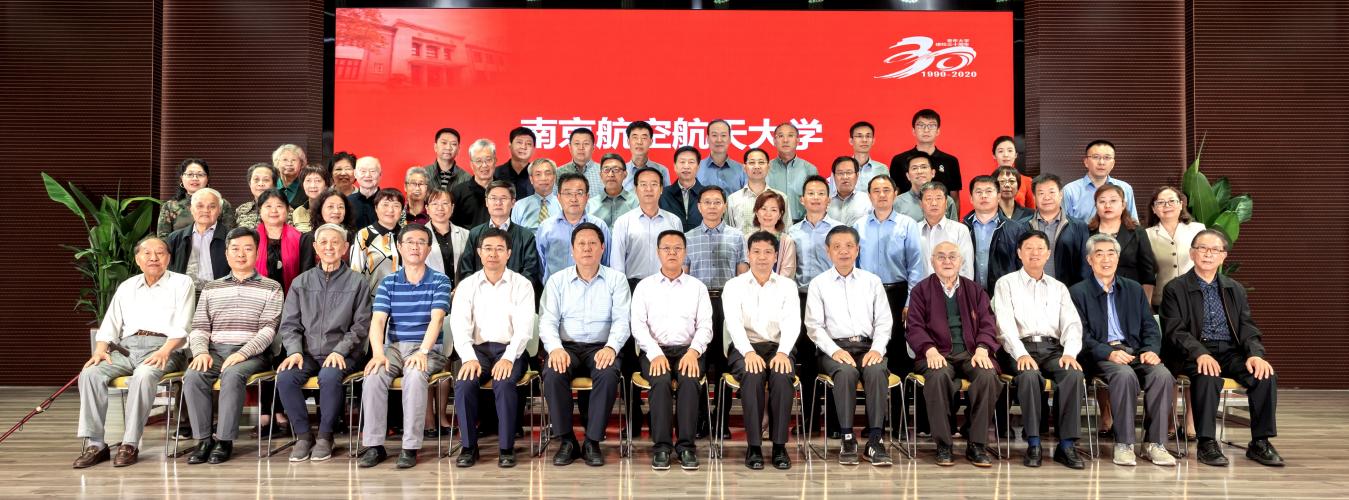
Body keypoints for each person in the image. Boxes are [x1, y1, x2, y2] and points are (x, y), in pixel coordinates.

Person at [1160, 229, 1283, 467]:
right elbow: (1175, 331)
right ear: (1192, 253)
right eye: (1203, 249)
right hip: (1191, 354)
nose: (1208, 254)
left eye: (1215, 250)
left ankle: (1260, 442)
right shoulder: (1175, 288)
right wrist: (1200, 353)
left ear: (1223, 256)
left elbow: (1247, 327)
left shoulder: (1234, 288)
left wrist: (1255, 355)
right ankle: (1207, 443)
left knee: (1265, 375)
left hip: (1229, 352)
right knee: (1207, 375)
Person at [72, 237, 193, 469]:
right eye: (147, 253)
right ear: (138, 259)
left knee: (143, 375)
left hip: (166, 348)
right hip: (127, 349)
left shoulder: (182, 283)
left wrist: (165, 350)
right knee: (90, 373)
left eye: (160, 253)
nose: (153, 258)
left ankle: (129, 443)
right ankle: (96, 444)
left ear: (168, 258)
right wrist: (100, 350)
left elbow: (184, 325)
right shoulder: (127, 286)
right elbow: (110, 324)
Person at [1069, 234, 1177, 467]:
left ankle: (1154, 444)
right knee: (1124, 375)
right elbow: (1080, 335)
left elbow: (1150, 326)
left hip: (1135, 352)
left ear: (1118, 258)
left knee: (1162, 375)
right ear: (1089, 260)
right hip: (1100, 355)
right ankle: (1124, 443)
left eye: (1111, 254)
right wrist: (1108, 352)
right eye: (1099, 254)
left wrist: (1151, 350)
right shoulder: (1077, 292)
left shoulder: (1134, 289)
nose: (1106, 259)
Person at [182, 227, 284, 465]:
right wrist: (200, 352)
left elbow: (269, 330)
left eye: (248, 249)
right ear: (227, 254)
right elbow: (199, 327)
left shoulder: (272, 287)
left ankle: (224, 440)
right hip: (215, 351)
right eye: (235, 249)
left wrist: (242, 353)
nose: (241, 254)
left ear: (257, 253)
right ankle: (203, 440)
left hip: (254, 354)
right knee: (193, 375)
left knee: (232, 374)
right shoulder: (211, 288)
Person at [356, 224, 452, 469]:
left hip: (428, 348)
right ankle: (374, 446)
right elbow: (378, 321)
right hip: (394, 348)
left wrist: (423, 352)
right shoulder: (389, 282)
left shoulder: (440, 281)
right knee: (374, 374)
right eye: (409, 241)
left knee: (415, 374)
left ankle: (410, 447)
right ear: (399, 247)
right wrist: (378, 353)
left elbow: (437, 319)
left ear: (428, 249)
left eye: (421, 242)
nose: (415, 247)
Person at [275, 223, 372, 462]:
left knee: (329, 376)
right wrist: (294, 351)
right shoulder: (301, 282)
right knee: (285, 377)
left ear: (345, 248)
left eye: (335, 242)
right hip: (306, 353)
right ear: (316, 248)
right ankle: (303, 436)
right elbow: (289, 324)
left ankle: (326, 436)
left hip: (343, 353)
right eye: (324, 243)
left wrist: (340, 351)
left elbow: (361, 325)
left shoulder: (357, 282)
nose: (329, 247)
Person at [539, 222, 630, 467]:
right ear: (572, 250)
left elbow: (622, 320)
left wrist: (611, 347)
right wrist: (555, 348)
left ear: (602, 248)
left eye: (592, 243)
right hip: (566, 347)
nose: (587, 248)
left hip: (601, 346)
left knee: (608, 373)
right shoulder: (557, 281)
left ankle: (592, 441)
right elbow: (547, 320)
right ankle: (567, 440)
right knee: (553, 372)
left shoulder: (617, 280)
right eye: (581, 244)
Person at [992, 231, 1086, 469]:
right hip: (1018, 348)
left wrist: (1070, 353)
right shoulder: (1006, 283)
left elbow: (1072, 324)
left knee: (1073, 374)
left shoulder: (1059, 287)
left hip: (1053, 349)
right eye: (1029, 248)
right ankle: (1034, 443)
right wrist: (1021, 353)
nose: (1035, 253)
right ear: (1019, 253)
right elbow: (1004, 325)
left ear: (1048, 254)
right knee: (1029, 376)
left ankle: (1066, 445)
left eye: (1040, 248)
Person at [804, 225, 895, 467]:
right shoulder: (818, 284)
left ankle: (875, 440)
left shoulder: (872, 281)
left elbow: (884, 321)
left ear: (857, 250)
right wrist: (834, 350)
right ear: (828, 251)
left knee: (877, 371)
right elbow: (814, 326)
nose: (843, 251)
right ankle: (847, 438)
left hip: (868, 347)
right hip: (834, 349)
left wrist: (877, 349)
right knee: (845, 373)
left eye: (849, 246)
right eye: (837, 247)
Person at [905, 241, 1000, 467]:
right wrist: (929, 349)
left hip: (971, 352)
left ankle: (976, 443)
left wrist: (982, 348)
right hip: (935, 353)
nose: (947, 261)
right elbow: (914, 327)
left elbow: (988, 323)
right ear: (932, 261)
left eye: (952, 256)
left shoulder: (975, 290)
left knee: (987, 375)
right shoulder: (920, 290)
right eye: (941, 257)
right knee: (938, 376)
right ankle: (943, 444)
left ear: (961, 261)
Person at [451, 228, 536, 468]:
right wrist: (468, 358)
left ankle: (506, 447)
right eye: (488, 248)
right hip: (476, 352)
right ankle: (469, 446)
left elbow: (523, 329)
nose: (493, 254)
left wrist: (508, 358)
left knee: (504, 382)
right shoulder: (467, 285)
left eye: (499, 249)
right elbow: (459, 326)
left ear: (509, 253)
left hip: (511, 350)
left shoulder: (522, 285)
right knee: (464, 383)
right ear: (479, 252)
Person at [630, 230, 714, 471]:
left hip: (689, 350)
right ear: (658, 253)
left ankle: (686, 447)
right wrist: (655, 353)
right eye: (666, 248)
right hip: (654, 350)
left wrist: (694, 352)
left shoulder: (697, 287)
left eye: (677, 248)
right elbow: (638, 326)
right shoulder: (644, 287)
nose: (672, 253)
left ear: (685, 252)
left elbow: (705, 326)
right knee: (660, 380)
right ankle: (662, 447)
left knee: (689, 379)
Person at [722, 231, 800, 470]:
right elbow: (733, 324)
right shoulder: (734, 285)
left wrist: (783, 352)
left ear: (776, 256)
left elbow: (792, 322)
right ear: (748, 254)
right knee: (753, 375)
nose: (762, 257)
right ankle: (754, 446)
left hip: (778, 347)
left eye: (768, 252)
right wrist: (748, 352)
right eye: (756, 252)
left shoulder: (787, 286)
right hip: (744, 347)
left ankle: (779, 446)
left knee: (782, 375)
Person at [852, 174, 923, 386]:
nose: (881, 195)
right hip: (867, 293)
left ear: (895, 194)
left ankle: (899, 403)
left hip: (898, 294)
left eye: (886, 190)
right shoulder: (858, 226)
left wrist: (910, 301)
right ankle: (876, 399)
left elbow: (915, 266)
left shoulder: (908, 224)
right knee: (871, 345)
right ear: (869, 195)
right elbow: (854, 265)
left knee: (898, 347)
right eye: (876, 191)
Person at [456, 181, 543, 294]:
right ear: (486, 202)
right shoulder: (475, 234)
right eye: (493, 198)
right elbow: (466, 270)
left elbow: (530, 272)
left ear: (513, 203)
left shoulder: (526, 236)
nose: (498, 202)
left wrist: (508, 292)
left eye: (503, 198)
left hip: (515, 296)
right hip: (481, 296)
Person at [610, 167, 684, 289]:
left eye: (654, 184)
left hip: (667, 284)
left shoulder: (674, 221)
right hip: (633, 286)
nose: (648, 189)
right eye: (643, 184)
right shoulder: (623, 222)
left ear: (661, 189)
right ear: (636, 189)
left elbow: (680, 257)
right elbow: (617, 264)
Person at [538, 173, 612, 284]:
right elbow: (541, 264)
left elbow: (606, 262)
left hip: (593, 288)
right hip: (555, 289)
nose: (573, 199)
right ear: (559, 197)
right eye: (568, 193)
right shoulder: (546, 227)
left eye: (579, 193)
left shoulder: (600, 226)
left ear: (587, 197)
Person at [1088, 184, 1157, 302]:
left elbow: (1148, 273)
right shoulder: (1086, 232)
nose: (1107, 205)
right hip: (1094, 296)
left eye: (1113, 201)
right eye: (1102, 201)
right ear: (1096, 206)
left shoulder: (1137, 232)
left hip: (1130, 296)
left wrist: (1145, 303)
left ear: (1123, 205)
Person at [963, 175, 1028, 294]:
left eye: (989, 191)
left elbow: (1024, 266)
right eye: (978, 192)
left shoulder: (1016, 229)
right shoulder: (962, 229)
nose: (983, 196)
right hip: (968, 296)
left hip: (1005, 295)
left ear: (998, 197)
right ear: (971, 198)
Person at [1146, 186, 1205, 309]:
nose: (1167, 205)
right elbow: (1145, 272)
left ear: (1181, 205)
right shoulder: (1147, 235)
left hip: (1195, 298)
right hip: (1162, 300)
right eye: (1160, 202)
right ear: (1154, 209)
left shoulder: (1198, 229)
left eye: (1172, 201)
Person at [1026, 174, 1091, 287]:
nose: (1047, 197)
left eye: (1051, 192)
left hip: (1067, 290)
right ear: (1034, 197)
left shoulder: (1079, 226)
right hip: (1030, 290)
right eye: (1041, 193)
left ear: (1061, 195)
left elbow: (1085, 265)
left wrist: (1079, 292)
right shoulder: (1022, 226)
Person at [166, 188, 230, 289]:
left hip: (219, 292)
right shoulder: (175, 238)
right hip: (183, 293)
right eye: (200, 206)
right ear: (191, 209)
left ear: (219, 210)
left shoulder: (231, 238)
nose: (206, 210)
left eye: (212, 206)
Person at [890, 109, 961, 197]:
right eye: (921, 125)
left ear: (938, 131)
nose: (926, 130)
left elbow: (954, 198)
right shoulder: (899, 160)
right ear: (913, 130)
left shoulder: (950, 161)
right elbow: (895, 195)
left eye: (931, 125)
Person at [1061, 140, 1138, 221]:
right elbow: (1064, 225)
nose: (1101, 162)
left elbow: (1133, 222)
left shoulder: (1125, 188)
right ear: (1086, 162)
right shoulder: (1070, 190)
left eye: (1107, 158)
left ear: (1113, 164)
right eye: (1096, 157)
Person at [157, 158, 234, 237]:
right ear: (181, 178)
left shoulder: (221, 204)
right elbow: (163, 239)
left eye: (200, 175)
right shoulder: (170, 206)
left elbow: (230, 236)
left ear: (207, 179)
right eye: (190, 174)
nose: (195, 178)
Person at [350, 188, 404, 294]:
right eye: (385, 205)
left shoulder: (407, 235)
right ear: (376, 208)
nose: (390, 210)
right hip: (374, 298)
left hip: (403, 297)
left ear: (402, 210)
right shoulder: (364, 235)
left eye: (396, 205)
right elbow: (356, 271)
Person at [916, 182, 973, 279]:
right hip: (920, 287)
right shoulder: (913, 230)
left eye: (939, 198)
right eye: (929, 199)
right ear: (921, 204)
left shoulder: (960, 230)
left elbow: (966, 267)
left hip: (951, 287)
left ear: (946, 203)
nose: (934, 203)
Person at [728, 148, 792, 230]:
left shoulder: (781, 197)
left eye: (761, 162)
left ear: (768, 167)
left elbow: (787, 230)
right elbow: (729, 232)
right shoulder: (733, 199)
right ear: (744, 167)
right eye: (752, 163)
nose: (757, 166)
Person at [766, 123, 817, 222]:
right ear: (774, 141)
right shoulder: (766, 168)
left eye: (790, 135)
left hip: (801, 223)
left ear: (798, 140)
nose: (785, 140)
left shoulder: (809, 169)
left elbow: (815, 200)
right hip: (772, 223)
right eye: (781, 136)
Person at [297, 188, 357, 274]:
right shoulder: (310, 238)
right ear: (320, 209)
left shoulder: (352, 236)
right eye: (330, 207)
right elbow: (306, 273)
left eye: (341, 207)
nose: (336, 211)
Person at [254, 189, 302, 292]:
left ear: (287, 209)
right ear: (260, 210)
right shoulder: (251, 239)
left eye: (279, 206)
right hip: (258, 295)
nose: (274, 211)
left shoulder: (300, 238)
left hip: (292, 296)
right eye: (268, 206)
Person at [828, 121, 889, 196]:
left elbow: (886, 194)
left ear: (873, 141)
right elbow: (832, 195)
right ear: (851, 141)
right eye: (859, 136)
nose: (864, 140)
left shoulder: (882, 168)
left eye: (868, 136)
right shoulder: (840, 167)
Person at [894, 152, 959, 223]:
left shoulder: (947, 200)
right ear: (908, 176)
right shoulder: (897, 202)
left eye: (924, 167)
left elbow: (954, 227)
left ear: (933, 173)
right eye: (914, 168)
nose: (919, 171)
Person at [747, 190, 797, 279]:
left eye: (773, 210)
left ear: (780, 215)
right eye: (763, 209)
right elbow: (745, 269)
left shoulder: (787, 241)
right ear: (756, 212)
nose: (768, 214)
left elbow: (787, 272)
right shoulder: (747, 238)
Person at [449, 139, 498, 229]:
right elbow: (452, 226)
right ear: (471, 164)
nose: (484, 165)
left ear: (495, 161)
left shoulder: (505, 190)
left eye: (488, 160)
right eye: (478, 161)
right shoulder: (458, 192)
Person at [425, 188, 469, 279]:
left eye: (445, 203)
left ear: (452, 208)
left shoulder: (466, 235)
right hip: (431, 286)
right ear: (427, 209)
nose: (440, 208)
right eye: (434, 204)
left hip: (461, 286)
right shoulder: (418, 235)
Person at [659, 145, 705, 231]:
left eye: (691, 162)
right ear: (675, 166)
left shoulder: (707, 194)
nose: (686, 166)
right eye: (682, 162)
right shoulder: (662, 194)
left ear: (698, 166)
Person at [586, 153, 637, 228]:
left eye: (616, 170)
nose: (611, 174)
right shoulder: (590, 205)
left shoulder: (636, 203)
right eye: (606, 170)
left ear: (625, 174)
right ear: (601, 175)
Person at [509, 158, 561, 231]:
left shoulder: (563, 204)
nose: (543, 178)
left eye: (547, 173)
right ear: (531, 179)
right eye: (538, 174)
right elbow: (515, 235)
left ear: (554, 177)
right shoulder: (519, 205)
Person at [696, 119, 746, 193]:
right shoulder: (697, 168)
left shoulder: (741, 170)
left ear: (729, 139)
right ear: (707, 139)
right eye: (714, 135)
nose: (719, 140)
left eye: (723, 135)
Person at [623, 120, 671, 190]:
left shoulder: (662, 170)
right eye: (635, 137)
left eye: (644, 138)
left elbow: (666, 196)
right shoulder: (621, 171)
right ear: (628, 141)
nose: (639, 142)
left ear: (651, 142)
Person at [557, 128, 604, 198]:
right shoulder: (558, 172)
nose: (581, 148)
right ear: (570, 147)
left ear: (593, 147)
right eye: (577, 143)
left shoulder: (604, 172)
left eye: (586, 144)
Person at [990, 136, 1035, 210]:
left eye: (1010, 150)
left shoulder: (1027, 181)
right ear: (994, 156)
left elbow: (1031, 211)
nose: (1006, 155)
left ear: (1016, 155)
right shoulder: (989, 181)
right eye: (1001, 151)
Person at [825, 157, 870, 226]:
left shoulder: (867, 200)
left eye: (849, 172)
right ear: (833, 176)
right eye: (840, 173)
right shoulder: (825, 201)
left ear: (857, 175)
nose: (845, 177)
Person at [494, 127, 537, 197]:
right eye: (519, 142)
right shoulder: (495, 174)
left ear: (533, 149)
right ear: (510, 146)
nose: (523, 147)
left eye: (529, 144)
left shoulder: (538, 176)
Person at [234, 163, 279, 230]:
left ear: (274, 185)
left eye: (266, 180)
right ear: (250, 183)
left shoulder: (283, 210)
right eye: (256, 179)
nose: (260, 184)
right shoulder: (242, 209)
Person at [289, 166, 330, 233]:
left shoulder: (333, 210)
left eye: (318, 181)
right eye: (308, 181)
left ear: (326, 185)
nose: (313, 185)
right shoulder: (297, 212)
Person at [348, 156, 383, 229]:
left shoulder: (388, 201)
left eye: (372, 171)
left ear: (380, 174)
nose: (367, 175)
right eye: (363, 171)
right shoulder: (347, 201)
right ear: (355, 174)